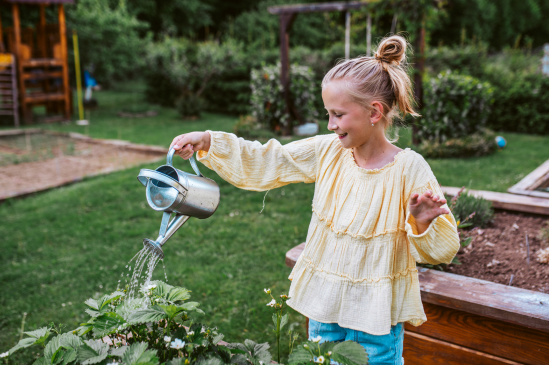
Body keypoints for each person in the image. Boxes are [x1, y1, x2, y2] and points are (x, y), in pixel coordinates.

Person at [170, 35, 460, 365]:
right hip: (325, 306)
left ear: (375, 112)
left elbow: (444, 249)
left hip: (375, 319)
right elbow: (270, 160)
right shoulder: (329, 151)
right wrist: (208, 141)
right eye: (328, 113)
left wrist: (421, 222)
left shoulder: (409, 168)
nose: (330, 124)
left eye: (337, 114)